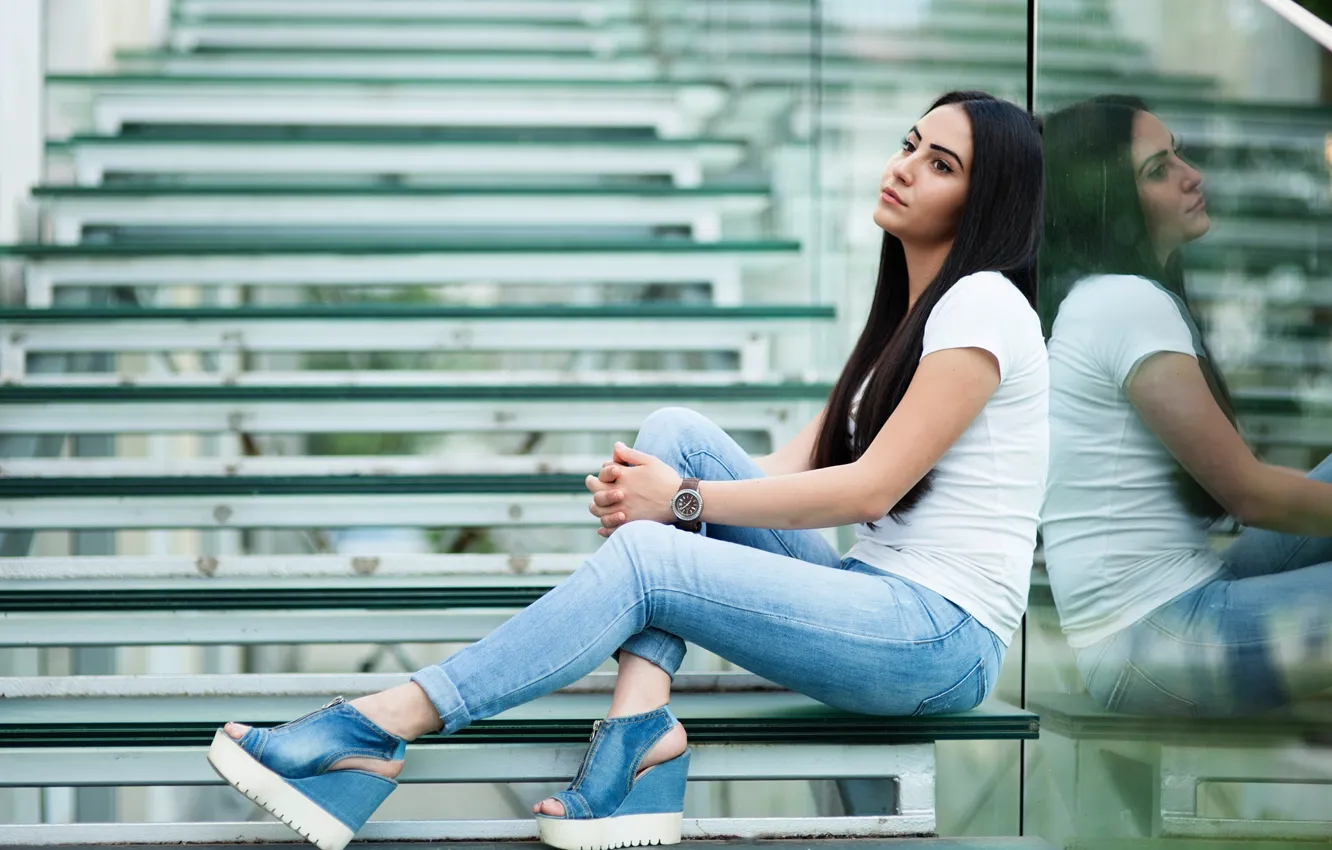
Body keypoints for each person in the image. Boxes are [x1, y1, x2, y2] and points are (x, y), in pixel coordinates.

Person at [207, 90, 1048, 850]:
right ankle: (640, 724)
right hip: (880, 601)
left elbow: (868, 489)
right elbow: (790, 472)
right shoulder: (909, 317)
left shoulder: (982, 304)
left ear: (985, 203)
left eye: (940, 165)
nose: (903, 167)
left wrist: (676, 504)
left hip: (939, 636)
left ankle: (382, 725)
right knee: (674, 433)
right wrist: (668, 495)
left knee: (655, 552)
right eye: (909, 144)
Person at [1039, 95, 1332, 718]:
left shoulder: (1111, 298)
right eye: (1158, 169)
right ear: (1110, 202)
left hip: (1179, 604)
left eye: (1177, 153)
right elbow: (1250, 496)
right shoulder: (1123, 304)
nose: (1190, 173)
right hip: (1152, 641)